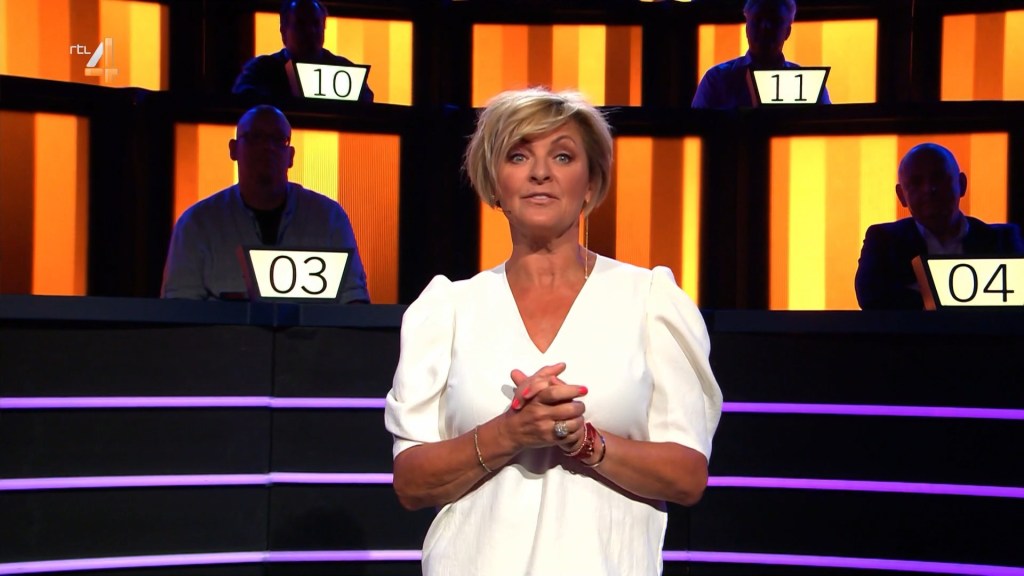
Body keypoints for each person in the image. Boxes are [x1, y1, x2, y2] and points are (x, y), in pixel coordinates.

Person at [384, 88, 722, 575]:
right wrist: (510, 432)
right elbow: (411, 483)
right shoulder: (448, 309)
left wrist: (582, 440)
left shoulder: (649, 300)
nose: (540, 172)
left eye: (562, 156)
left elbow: (687, 478)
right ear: (494, 184)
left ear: (590, 183)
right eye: (518, 156)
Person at [162, 105, 369, 303]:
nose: (267, 147)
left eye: (278, 139)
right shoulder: (196, 224)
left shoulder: (329, 218)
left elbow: (354, 300)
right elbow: (178, 310)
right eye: (255, 137)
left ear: (291, 156)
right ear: (233, 149)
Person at [855, 143, 1024, 310]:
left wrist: (921, 293)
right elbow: (870, 298)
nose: (929, 189)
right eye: (916, 182)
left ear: (962, 184)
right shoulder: (883, 240)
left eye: (939, 178)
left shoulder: (1004, 240)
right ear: (901, 196)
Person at [692, 0, 831, 108]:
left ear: (788, 32)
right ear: (746, 28)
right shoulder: (715, 79)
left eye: (775, 21)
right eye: (758, 20)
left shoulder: (810, 86)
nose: (765, 27)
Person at [232, 0, 374, 103]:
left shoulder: (345, 69)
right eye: (300, 24)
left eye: (315, 24)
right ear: (283, 30)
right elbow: (242, 102)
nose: (310, 31)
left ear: (324, 27)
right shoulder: (261, 69)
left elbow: (365, 107)